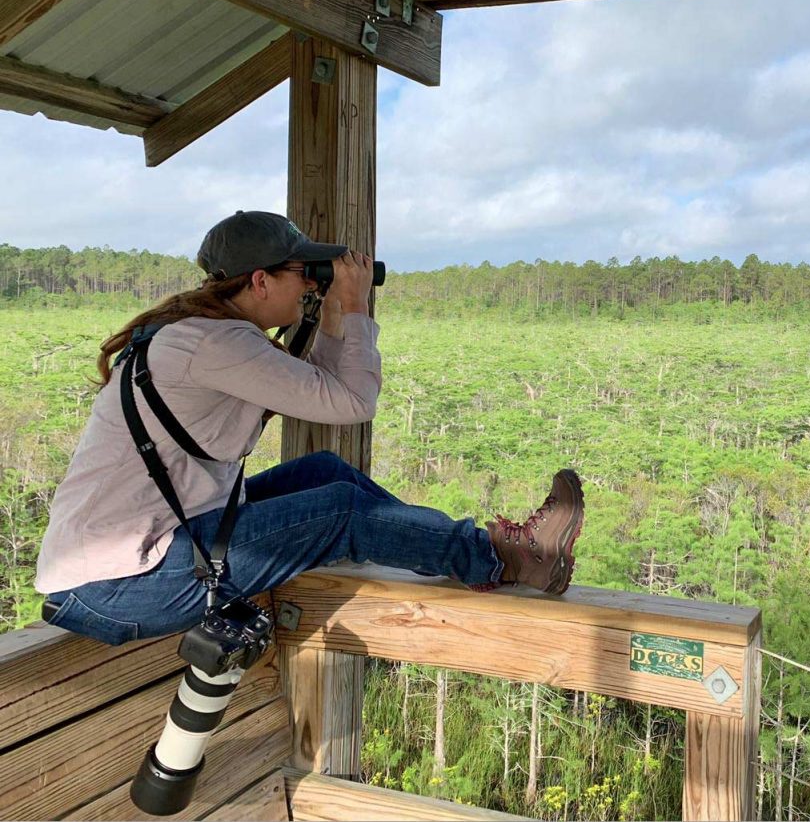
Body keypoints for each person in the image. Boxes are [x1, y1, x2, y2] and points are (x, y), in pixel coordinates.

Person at [34, 210, 584, 646]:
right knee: (341, 509)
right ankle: (498, 558)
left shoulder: (202, 333)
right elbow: (353, 402)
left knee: (324, 472)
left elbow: (316, 387)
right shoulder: (216, 342)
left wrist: (334, 318)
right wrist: (356, 305)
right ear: (259, 279)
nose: (309, 283)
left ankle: (466, 551)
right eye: (302, 272)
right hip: (119, 584)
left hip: (145, 553)